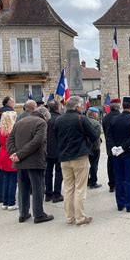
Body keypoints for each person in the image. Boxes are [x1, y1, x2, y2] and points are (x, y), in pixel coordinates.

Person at [55, 96, 98, 225]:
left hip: (64, 157)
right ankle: (80, 217)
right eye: (81, 106)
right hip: (79, 156)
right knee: (80, 188)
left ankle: (70, 217)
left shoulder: (59, 120)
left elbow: (56, 136)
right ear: (77, 106)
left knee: (68, 188)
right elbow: (94, 135)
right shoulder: (81, 118)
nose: (82, 107)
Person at [7, 106, 54, 224]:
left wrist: (15, 154)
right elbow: (37, 141)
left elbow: (10, 140)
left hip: (20, 162)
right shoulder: (42, 123)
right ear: (45, 116)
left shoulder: (20, 121)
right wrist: (19, 154)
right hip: (35, 161)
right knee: (38, 188)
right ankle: (39, 214)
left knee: (23, 188)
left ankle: (23, 214)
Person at [107, 96, 130, 212]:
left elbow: (109, 135)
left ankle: (120, 203)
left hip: (117, 154)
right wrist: (123, 147)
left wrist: (114, 147)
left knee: (119, 179)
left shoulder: (114, 119)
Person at [0, 111, 18, 210]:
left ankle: (5, 202)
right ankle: (11, 203)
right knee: (13, 180)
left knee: (6, 180)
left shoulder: (0, 129)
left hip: (3, 154)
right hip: (11, 153)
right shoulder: (13, 130)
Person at [45, 100, 63, 203]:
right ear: (57, 108)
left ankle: (48, 194)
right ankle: (56, 194)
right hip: (58, 149)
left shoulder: (45, 119)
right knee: (59, 172)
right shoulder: (59, 119)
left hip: (47, 150)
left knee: (48, 172)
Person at [102, 98, 121, 192]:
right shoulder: (120, 116)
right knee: (120, 165)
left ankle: (112, 184)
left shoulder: (105, 118)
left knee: (110, 165)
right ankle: (119, 183)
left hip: (110, 144)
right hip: (120, 146)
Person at [87, 106, 102, 189]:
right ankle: (93, 182)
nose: (98, 115)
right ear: (94, 114)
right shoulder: (96, 123)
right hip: (95, 147)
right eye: (97, 113)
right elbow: (96, 135)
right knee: (94, 165)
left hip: (85, 147)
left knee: (86, 165)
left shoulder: (84, 121)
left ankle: (87, 181)